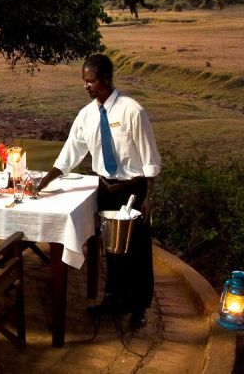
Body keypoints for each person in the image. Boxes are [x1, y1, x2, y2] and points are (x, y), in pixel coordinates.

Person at [37, 53, 161, 329]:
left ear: (105, 79)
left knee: (137, 250)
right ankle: (114, 300)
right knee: (112, 251)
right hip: (105, 189)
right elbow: (69, 155)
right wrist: (45, 181)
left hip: (133, 189)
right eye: (84, 81)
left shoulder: (132, 111)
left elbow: (150, 158)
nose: (86, 86)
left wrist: (148, 198)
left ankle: (139, 306)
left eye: (90, 81)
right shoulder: (87, 115)